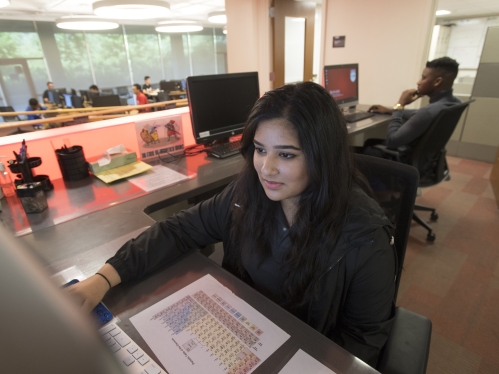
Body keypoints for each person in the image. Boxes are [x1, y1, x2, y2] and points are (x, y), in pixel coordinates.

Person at [68, 82, 396, 368]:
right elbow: (178, 230)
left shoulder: (365, 237)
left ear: (322, 156)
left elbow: (363, 339)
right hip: (242, 332)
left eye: (286, 155)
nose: (265, 168)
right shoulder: (247, 193)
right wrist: (104, 277)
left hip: (302, 354)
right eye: (260, 149)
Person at [364, 56, 461, 161]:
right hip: (425, 161)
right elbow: (418, 113)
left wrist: (400, 104)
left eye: (423, 78)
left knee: (353, 151)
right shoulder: (454, 103)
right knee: (369, 141)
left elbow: (392, 141)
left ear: (437, 81)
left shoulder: (427, 112)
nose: (418, 82)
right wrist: (391, 111)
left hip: (403, 159)